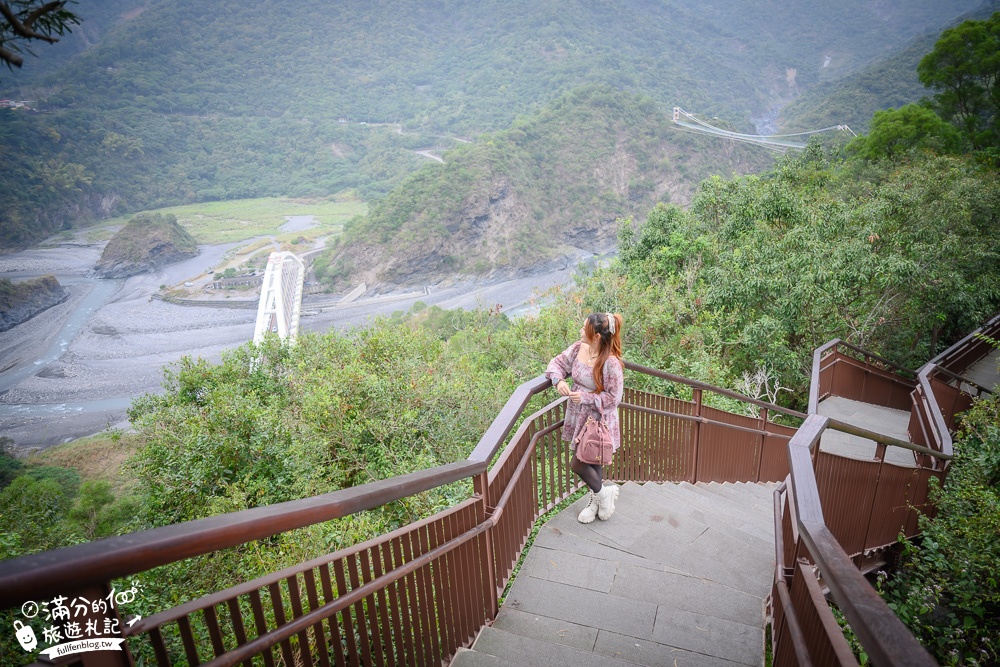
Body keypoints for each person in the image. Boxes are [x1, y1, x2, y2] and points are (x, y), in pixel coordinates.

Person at [545, 312, 624, 523]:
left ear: (596, 335)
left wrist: (586, 398)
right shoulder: (579, 348)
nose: (580, 331)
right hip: (579, 416)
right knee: (592, 459)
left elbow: (614, 397)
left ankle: (603, 493)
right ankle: (597, 499)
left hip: (598, 419)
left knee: (578, 464)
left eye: (584, 328)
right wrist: (558, 381)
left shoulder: (610, 362)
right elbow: (556, 364)